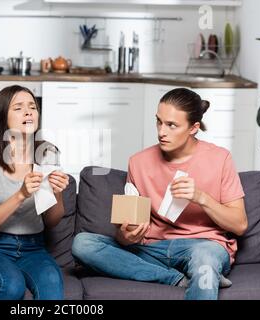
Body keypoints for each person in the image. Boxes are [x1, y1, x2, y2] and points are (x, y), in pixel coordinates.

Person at [72, 87, 248, 300]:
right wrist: (126, 236)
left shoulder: (220, 158)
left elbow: (239, 225)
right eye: (159, 121)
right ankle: (174, 278)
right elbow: (124, 233)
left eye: (171, 125)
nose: (161, 132)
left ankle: (204, 272)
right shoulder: (138, 162)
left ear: (194, 128)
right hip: (152, 249)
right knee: (83, 243)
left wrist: (202, 198)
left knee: (205, 260)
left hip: (204, 246)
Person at [0, 85, 69, 300]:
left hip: (34, 247)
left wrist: (57, 193)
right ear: (3, 117)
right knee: (12, 286)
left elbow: (52, 221)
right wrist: (20, 194)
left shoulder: (47, 153)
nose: (29, 111)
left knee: (52, 287)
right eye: (19, 107)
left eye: (32, 106)